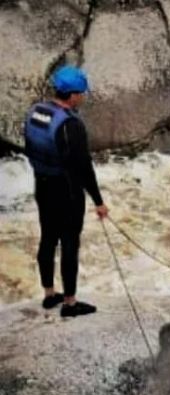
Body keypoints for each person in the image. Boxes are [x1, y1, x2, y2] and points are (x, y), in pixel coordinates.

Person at [24, 64, 109, 317]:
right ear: (72, 95)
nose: (83, 97)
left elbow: (29, 145)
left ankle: (50, 295)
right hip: (67, 191)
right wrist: (99, 201)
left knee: (48, 238)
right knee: (70, 243)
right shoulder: (71, 125)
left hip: (42, 185)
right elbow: (84, 168)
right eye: (81, 93)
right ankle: (70, 303)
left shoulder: (36, 112)